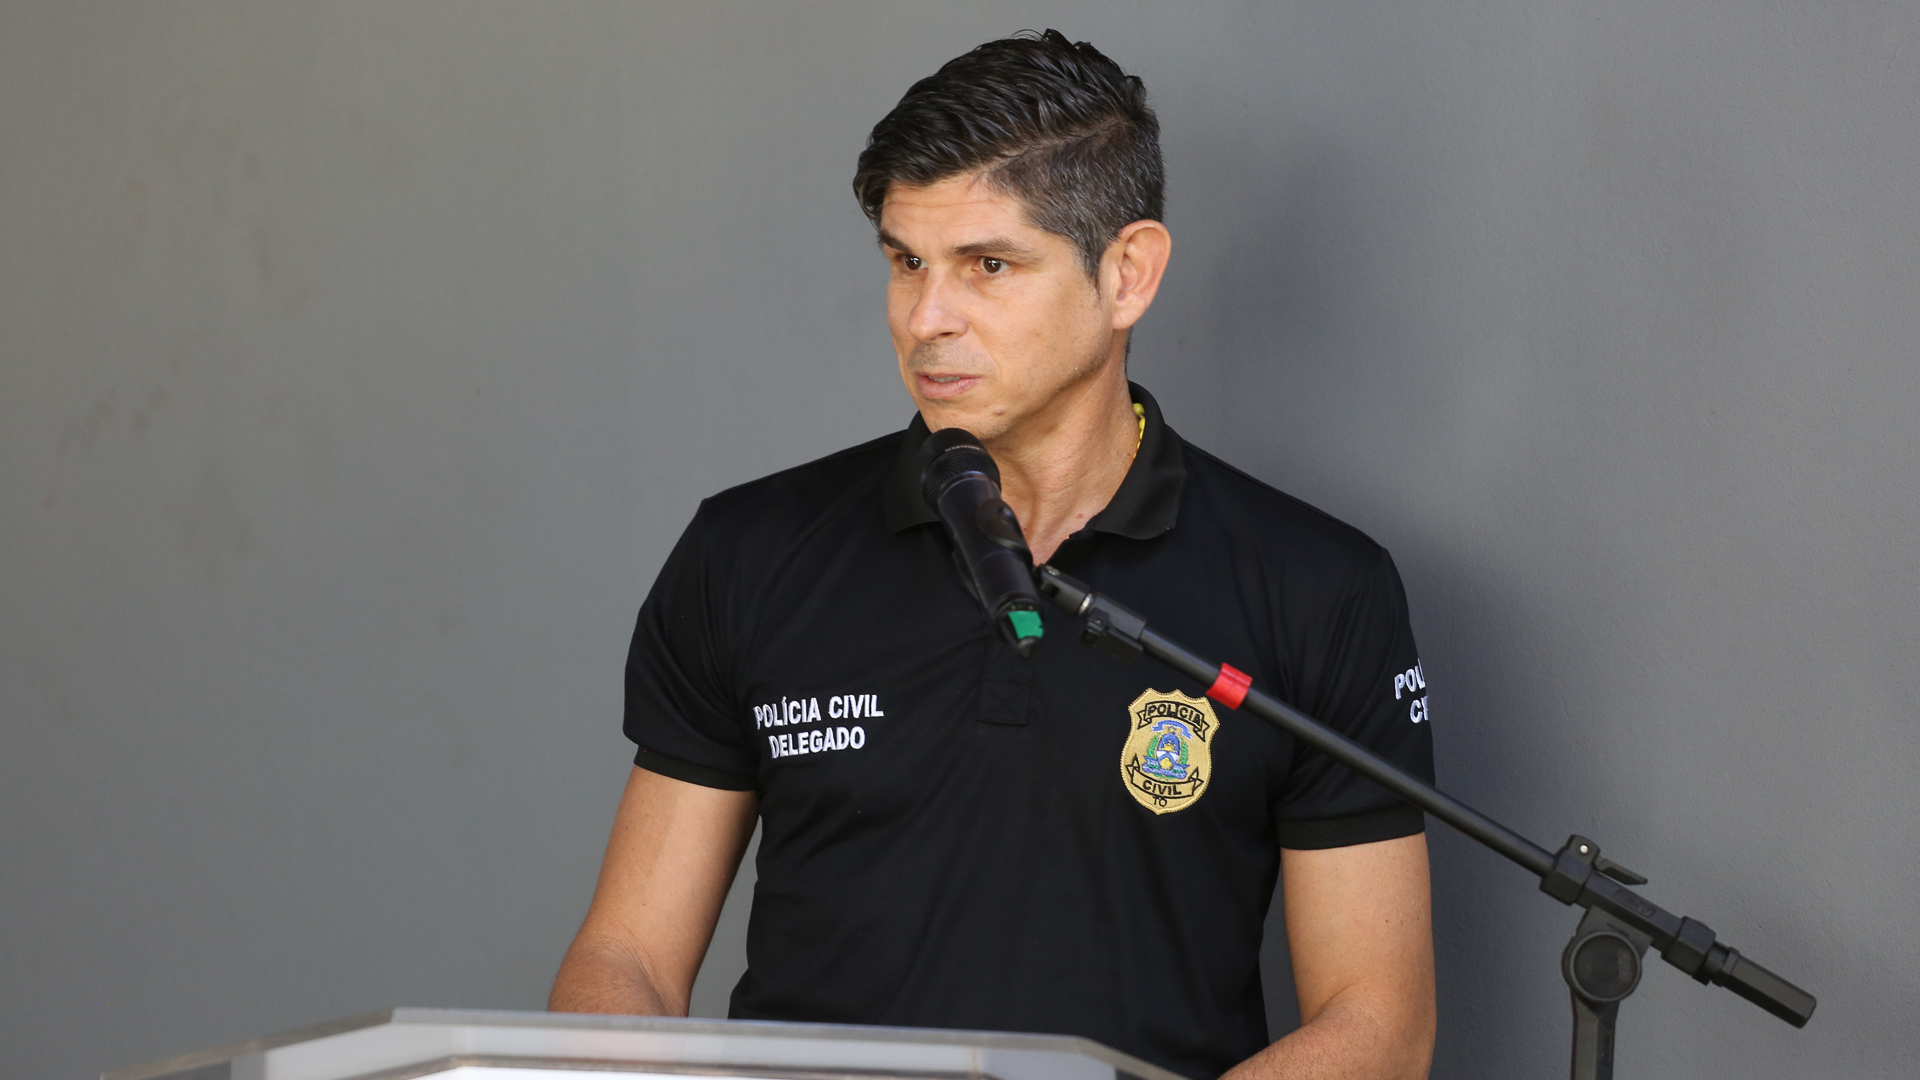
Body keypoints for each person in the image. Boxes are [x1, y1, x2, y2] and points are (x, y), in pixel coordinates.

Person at [551, 30, 1436, 1080]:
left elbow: (1378, 1022)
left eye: (989, 266)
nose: (926, 319)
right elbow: (629, 957)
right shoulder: (748, 553)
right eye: (906, 262)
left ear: (1128, 274)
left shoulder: (1316, 589)